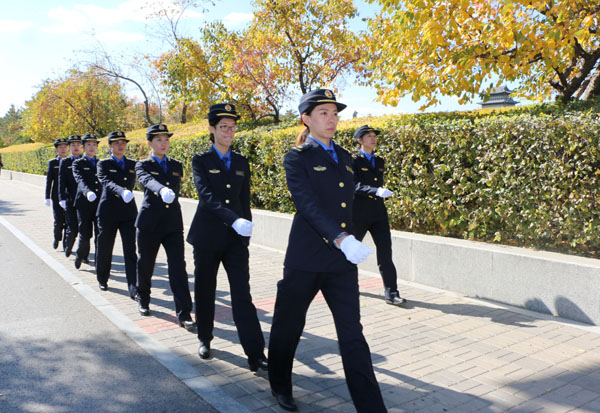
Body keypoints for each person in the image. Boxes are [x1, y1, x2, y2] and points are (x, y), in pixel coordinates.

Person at [268, 89, 387, 412]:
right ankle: (280, 383)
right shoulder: (297, 157)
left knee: (352, 335)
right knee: (289, 325)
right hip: (306, 258)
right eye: (323, 112)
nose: (332, 118)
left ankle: (371, 406)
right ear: (306, 119)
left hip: (340, 261)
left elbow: (348, 205)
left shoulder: (347, 158)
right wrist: (341, 238)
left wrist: (350, 239)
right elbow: (306, 204)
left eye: (334, 112)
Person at [186, 103, 267, 371]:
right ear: (212, 129)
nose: (229, 132)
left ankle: (255, 353)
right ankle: (205, 338)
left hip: (235, 242)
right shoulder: (201, 161)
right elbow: (206, 197)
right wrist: (235, 221)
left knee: (242, 294)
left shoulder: (242, 161)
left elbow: (244, 201)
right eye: (224, 127)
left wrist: (246, 233)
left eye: (232, 127)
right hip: (207, 237)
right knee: (206, 290)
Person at [135, 123, 194, 330]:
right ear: (150, 143)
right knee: (146, 265)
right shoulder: (142, 165)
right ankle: (143, 298)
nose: (163, 143)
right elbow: (147, 180)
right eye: (158, 140)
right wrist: (161, 190)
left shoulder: (177, 165)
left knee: (178, 268)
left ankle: (185, 313)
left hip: (172, 224)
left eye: (166, 139)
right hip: (149, 223)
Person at [352, 125, 406, 306]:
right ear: (360, 140)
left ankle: (392, 293)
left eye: (374, 136)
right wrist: (375, 191)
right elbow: (354, 186)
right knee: (350, 253)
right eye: (368, 136)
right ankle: (345, 285)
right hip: (358, 214)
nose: (373, 139)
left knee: (385, 254)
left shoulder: (380, 161)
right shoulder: (354, 161)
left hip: (378, 215)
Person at [95, 131, 138, 297]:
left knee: (130, 250)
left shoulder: (133, 164)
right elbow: (106, 182)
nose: (121, 146)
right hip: (108, 211)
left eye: (123, 143)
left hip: (128, 212)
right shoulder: (103, 164)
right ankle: (102, 278)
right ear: (110, 146)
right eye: (117, 143)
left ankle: (134, 286)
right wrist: (121, 191)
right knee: (105, 247)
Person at [72, 133, 101, 269]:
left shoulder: (101, 163)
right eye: (88, 144)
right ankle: (80, 255)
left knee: (100, 234)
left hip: (99, 202)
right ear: (83, 147)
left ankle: (98, 261)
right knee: (85, 233)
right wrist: (87, 192)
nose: (91, 147)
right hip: (84, 203)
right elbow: (80, 180)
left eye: (94, 144)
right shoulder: (78, 163)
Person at [58, 135, 83, 257]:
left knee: (84, 229)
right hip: (70, 200)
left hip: (84, 201)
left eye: (78, 145)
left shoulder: (86, 161)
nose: (76, 147)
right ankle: (68, 245)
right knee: (72, 227)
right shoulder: (65, 162)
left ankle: (83, 254)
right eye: (73, 145)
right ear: (69, 147)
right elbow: (61, 182)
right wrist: (61, 198)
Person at [44, 138, 69, 250]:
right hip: (56, 197)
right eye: (60, 147)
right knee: (58, 221)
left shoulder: (72, 162)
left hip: (69, 196)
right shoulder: (53, 163)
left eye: (65, 147)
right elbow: (49, 181)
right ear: (56, 149)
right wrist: (47, 197)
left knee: (68, 221)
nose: (63, 149)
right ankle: (57, 237)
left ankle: (66, 243)